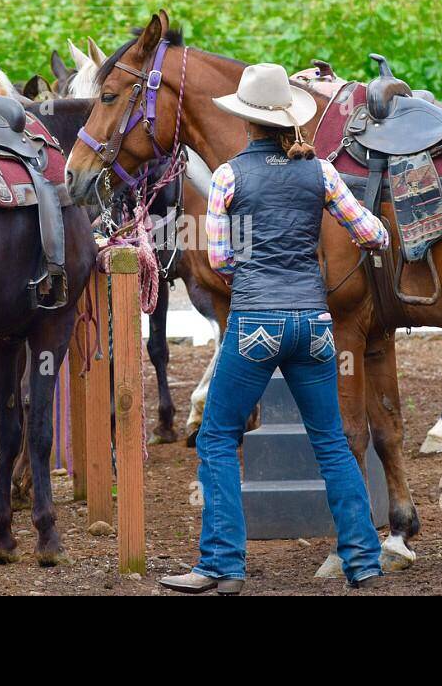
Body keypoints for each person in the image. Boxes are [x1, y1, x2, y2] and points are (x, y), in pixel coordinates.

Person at [159, 63, 390, 595]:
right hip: (314, 324)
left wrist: (256, 274)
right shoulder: (323, 172)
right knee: (331, 441)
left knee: (217, 436)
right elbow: (370, 234)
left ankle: (222, 564)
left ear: (246, 122)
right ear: (289, 118)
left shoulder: (228, 176)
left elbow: (218, 257)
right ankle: (362, 558)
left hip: (256, 324)